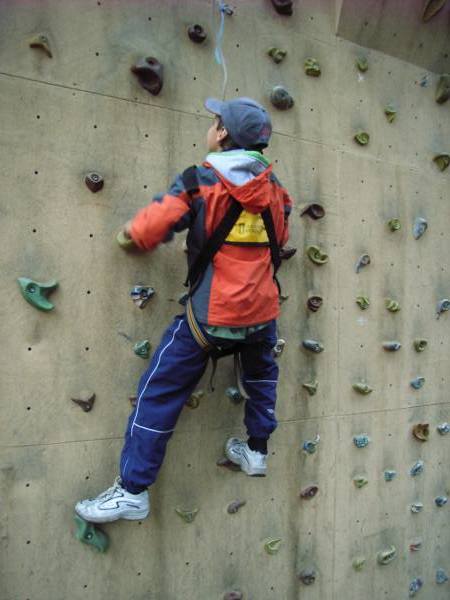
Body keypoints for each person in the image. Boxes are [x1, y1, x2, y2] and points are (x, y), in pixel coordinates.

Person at [75, 97, 293, 523]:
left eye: (215, 121)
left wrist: (129, 236)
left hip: (210, 318)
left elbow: (154, 225)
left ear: (223, 133)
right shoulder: (277, 190)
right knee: (261, 378)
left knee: (159, 392)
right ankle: (256, 451)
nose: (211, 127)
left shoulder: (200, 180)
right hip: (261, 314)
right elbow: (280, 238)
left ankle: (132, 491)